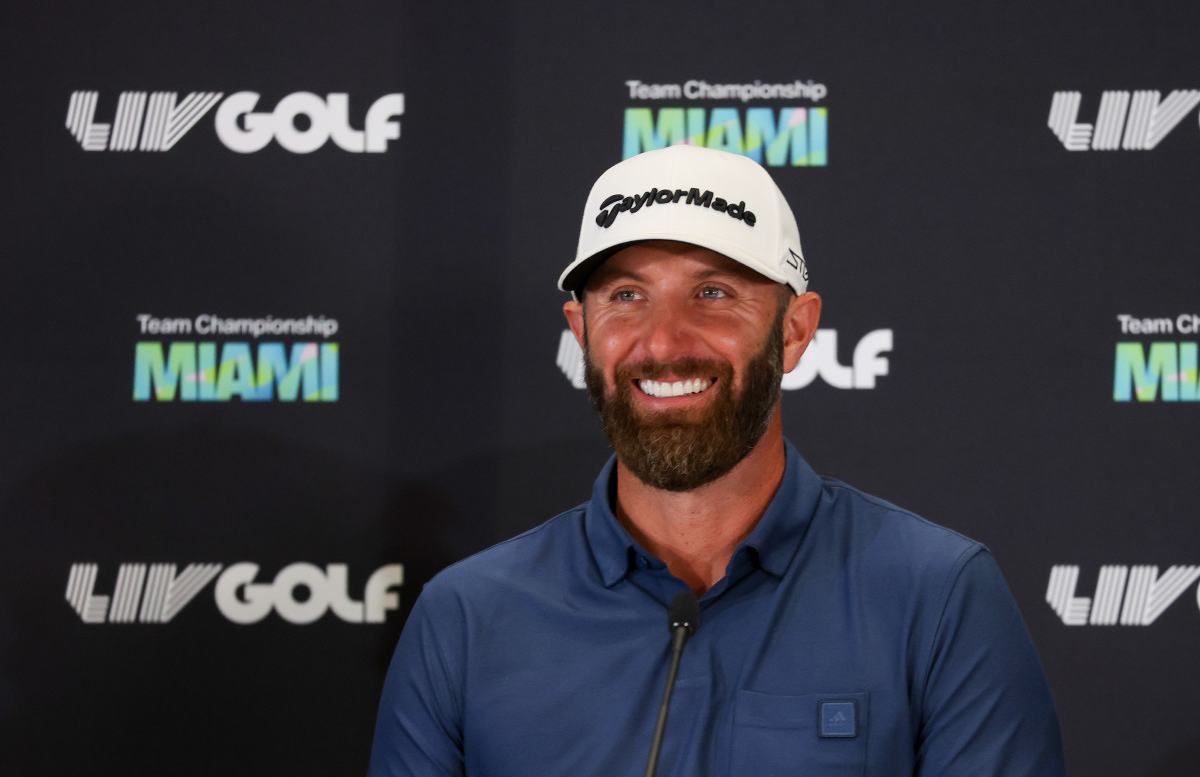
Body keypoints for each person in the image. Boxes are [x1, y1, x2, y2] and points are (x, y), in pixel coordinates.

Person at [369, 145, 1066, 776]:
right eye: (624, 296)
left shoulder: (937, 596)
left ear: (793, 332)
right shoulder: (464, 617)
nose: (662, 340)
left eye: (713, 293)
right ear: (582, 331)